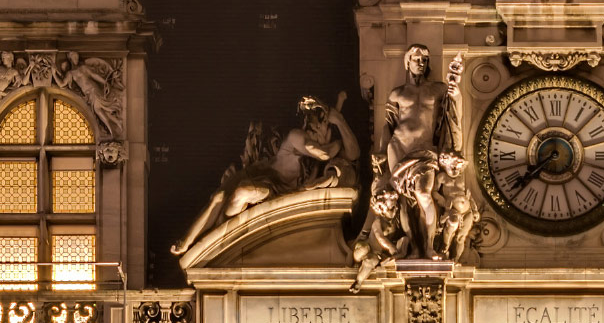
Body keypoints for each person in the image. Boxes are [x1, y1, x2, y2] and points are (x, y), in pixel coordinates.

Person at [170, 93, 354, 257]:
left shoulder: (312, 157)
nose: (321, 130)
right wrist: (336, 142)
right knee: (218, 196)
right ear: (309, 124)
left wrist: (340, 123)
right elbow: (324, 154)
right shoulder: (296, 137)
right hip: (263, 174)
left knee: (241, 192)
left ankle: (222, 228)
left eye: (324, 126)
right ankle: (189, 240)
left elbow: (353, 154)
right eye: (318, 125)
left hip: (276, 186)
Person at [375, 45, 461, 259]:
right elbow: (388, 126)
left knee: (423, 193)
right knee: (404, 201)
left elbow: (451, 115)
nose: (420, 63)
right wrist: (380, 152)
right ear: (407, 62)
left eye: (424, 60)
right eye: (416, 59)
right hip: (398, 147)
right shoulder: (397, 93)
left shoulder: (438, 89)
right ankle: (414, 248)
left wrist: (456, 94)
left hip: (424, 151)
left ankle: (430, 245)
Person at [350, 189, 410, 293]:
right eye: (391, 208)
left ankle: (361, 278)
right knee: (365, 250)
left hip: (378, 255)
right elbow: (380, 237)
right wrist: (392, 248)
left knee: (371, 260)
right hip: (366, 248)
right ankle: (358, 281)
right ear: (381, 207)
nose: (395, 210)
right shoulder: (377, 221)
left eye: (395, 207)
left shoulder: (396, 223)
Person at [435, 152, 479, 262]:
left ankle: (456, 259)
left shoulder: (462, 176)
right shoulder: (441, 177)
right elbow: (434, 192)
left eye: (458, 166)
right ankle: (445, 248)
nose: (456, 169)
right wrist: (443, 201)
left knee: (461, 237)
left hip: (467, 210)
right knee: (451, 227)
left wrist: (474, 209)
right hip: (452, 209)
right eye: (454, 165)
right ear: (446, 164)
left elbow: (468, 195)